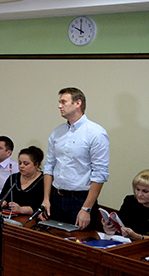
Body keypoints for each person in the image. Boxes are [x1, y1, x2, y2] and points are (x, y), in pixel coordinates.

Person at [40, 87, 109, 230]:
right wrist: (46, 199)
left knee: (78, 245)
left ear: (77, 103)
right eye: (59, 102)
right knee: (53, 240)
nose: (59, 106)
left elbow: (100, 174)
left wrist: (87, 208)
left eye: (63, 102)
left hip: (80, 200)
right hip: (56, 197)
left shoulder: (95, 133)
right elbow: (49, 166)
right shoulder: (57, 132)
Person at [102, 169, 149, 249]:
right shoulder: (129, 202)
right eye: (137, 189)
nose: (139, 194)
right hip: (129, 247)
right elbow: (120, 228)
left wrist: (137, 237)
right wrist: (109, 230)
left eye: (145, 191)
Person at [0, 146, 44, 215]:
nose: (21, 166)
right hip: (8, 216)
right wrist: (2, 202)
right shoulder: (13, 178)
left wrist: (21, 209)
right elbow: (2, 197)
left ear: (36, 165)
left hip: (30, 220)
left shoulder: (43, 181)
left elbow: (40, 207)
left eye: (26, 164)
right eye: (19, 163)